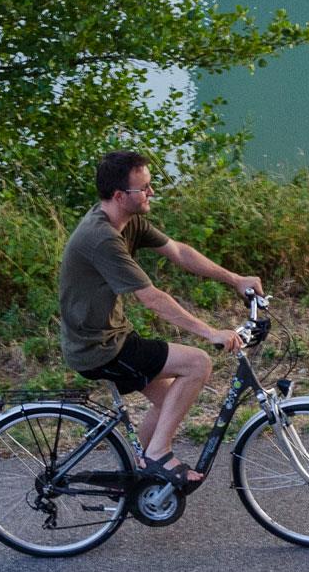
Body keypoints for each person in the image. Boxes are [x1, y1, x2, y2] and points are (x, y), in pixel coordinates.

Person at [59, 150, 263, 486]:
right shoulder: (102, 238)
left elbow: (179, 251)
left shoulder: (128, 221)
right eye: (145, 189)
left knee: (171, 399)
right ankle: (156, 455)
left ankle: (139, 471)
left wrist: (235, 279)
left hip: (113, 337)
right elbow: (151, 298)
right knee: (197, 364)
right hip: (97, 348)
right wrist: (209, 331)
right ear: (119, 196)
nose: (152, 193)